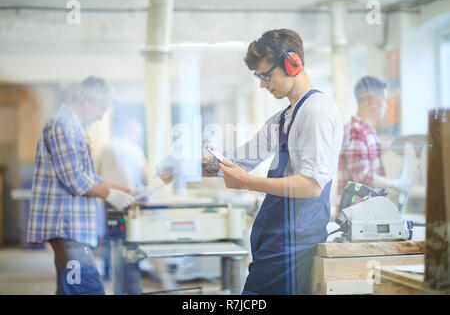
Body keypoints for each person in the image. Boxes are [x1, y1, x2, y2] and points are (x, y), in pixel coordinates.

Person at [160, 29, 343, 295]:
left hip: (294, 244)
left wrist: (248, 183)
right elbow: (238, 160)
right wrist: (186, 166)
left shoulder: (317, 112)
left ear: (293, 64)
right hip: (275, 241)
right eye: (259, 77)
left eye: (266, 75)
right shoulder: (283, 119)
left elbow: (311, 185)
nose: (262, 84)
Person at [27, 76, 135, 295]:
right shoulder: (63, 125)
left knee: (71, 289)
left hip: (74, 230)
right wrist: (111, 195)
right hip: (68, 228)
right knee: (87, 289)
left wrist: (129, 192)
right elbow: (75, 178)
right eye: (101, 109)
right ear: (87, 99)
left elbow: (90, 177)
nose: (100, 117)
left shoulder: (74, 127)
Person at [338, 76, 411, 200]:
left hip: (365, 209)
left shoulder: (365, 131)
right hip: (357, 211)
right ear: (371, 101)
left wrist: (389, 146)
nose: (386, 106)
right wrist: (396, 184)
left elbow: (367, 152)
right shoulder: (356, 132)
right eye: (383, 100)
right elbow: (363, 178)